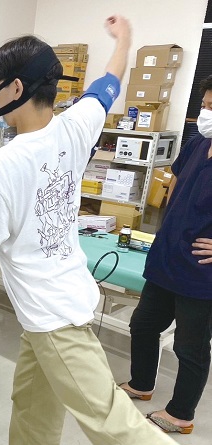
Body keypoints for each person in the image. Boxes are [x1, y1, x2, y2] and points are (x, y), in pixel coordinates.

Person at [0, 15, 177, 445]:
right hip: (53, 307)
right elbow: (109, 82)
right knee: (32, 408)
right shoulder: (75, 125)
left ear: (16, 89)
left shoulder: (1, 166)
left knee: (115, 424)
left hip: (54, 318)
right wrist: (124, 39)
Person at [119, 75, 212, 435]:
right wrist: (170, 226)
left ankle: (181, 414)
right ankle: (141, 383)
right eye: (205, 105)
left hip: (200, 271)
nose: (205, 113)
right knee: (143, 324)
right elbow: (174, 183)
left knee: (190, 346)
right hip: (167, 257)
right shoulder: (197, 143)